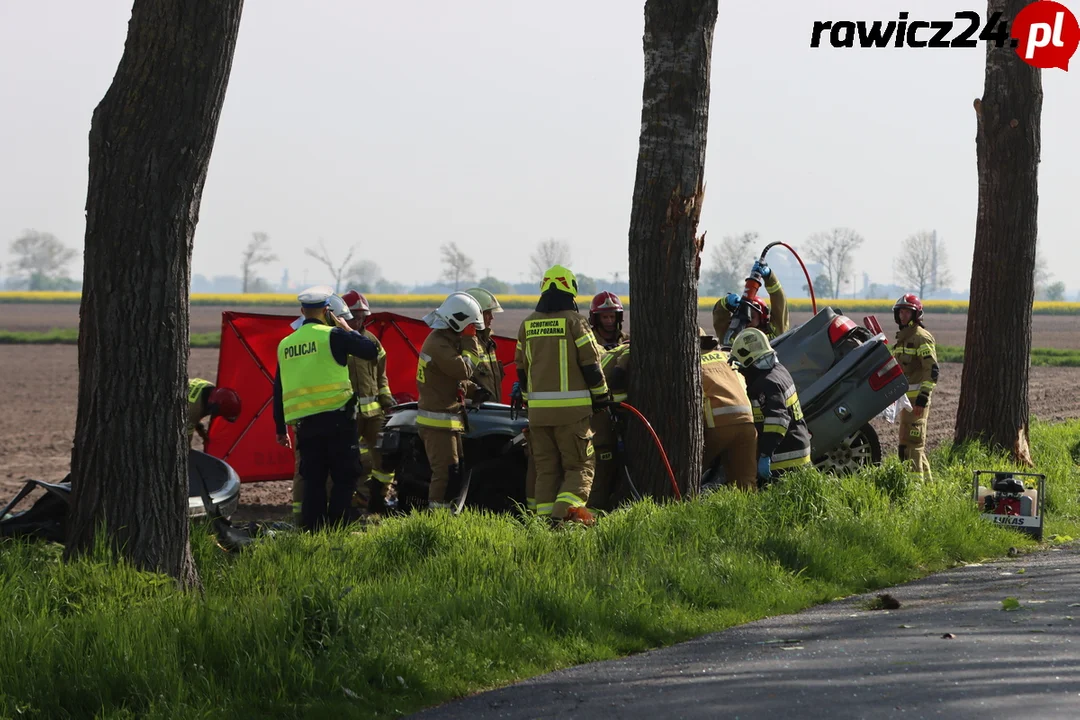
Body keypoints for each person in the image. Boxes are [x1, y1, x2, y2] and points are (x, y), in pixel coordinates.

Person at [272, 285, 380, 531]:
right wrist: (346, 328)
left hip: (305, 425)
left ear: (302, 311)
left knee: (313, 480)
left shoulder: (286, 344)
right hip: (338, 421)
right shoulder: (333, 335)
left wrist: (280, 427)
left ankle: (313, 532)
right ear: (327, 311)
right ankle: (338, 529)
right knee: (345, 476)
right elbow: (370, 350)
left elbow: (278, 388)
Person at [513, 265, 610, 526]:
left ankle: (544, 525)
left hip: (538, 416)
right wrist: (602, 398)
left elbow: (521, 369)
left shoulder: (527, 324)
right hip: (573, 415)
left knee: (546, 471)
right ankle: (562, 522)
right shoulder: (575, 322)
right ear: (572, 290)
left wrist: (527, 400)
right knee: (579, 468)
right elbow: (591, 365)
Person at [417, 292, 488, 509]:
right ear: (460, 322)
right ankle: (436, 522)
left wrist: (474, 391)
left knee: (455, 472)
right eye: (472, 326)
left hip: (446, 420)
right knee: (445, 474)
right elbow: (463, 369)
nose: (474, 331)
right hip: (438, 422)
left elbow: (447, 381)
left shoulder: (444, 341)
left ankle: (446, 515)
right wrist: (470, 339)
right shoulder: (439, 344)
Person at [729, 328, 811, 487]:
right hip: (798, 447)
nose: (740, 370)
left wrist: (765, 454)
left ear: (749, 360)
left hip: (784, 457)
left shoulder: (765, 383)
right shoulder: (779, 370)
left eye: (740, 364)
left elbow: (778, 420)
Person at [698, 329, 758, 491]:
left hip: (718, 425)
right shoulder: (725, 357)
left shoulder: (691, 363)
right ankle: (750, 514)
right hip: (747, 422)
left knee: (689, 474)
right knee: (746, 483)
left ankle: (681, 510)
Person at [892, 294, 939, 480]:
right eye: (901, 311)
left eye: (907, 312)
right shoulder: (902, 338)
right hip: (906, 401)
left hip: (917, 401)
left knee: (913, 444)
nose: (903, 315)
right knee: (908, 442)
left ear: (916, 314)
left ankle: (915, 490)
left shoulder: (921, 337)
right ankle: (928, 487)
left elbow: (932, 370)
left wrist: (923, 397)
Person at [587, 341, 631, 512]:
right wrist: (622, 411)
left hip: (591, 419)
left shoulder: (618, 349)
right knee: (600, 475)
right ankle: (589, 517)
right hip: (600, 424)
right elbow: (617, 376)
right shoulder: (630, 350)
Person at [712, 260, 789, 342]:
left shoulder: (775, 334)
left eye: (752, 316)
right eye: (743, 315)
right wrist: (725, 302)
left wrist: (769, 277)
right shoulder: (732, 338)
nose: (747, 320)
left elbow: (780, 304)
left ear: (762, 317)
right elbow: (719, 319)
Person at [463, 287, 505, 402]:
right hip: (475, 412)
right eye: (487, 313)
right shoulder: (464, 343)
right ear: (475, 314)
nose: (492, 317)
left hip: (491, 411)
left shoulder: (488, 343)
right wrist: (475, 392)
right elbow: (457, 379)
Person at [186, 378, 241, 448]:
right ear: (215, 410)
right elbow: (185, 439)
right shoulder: (194, 410)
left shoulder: (208, 386)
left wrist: (201, 430)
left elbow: (193, 415)